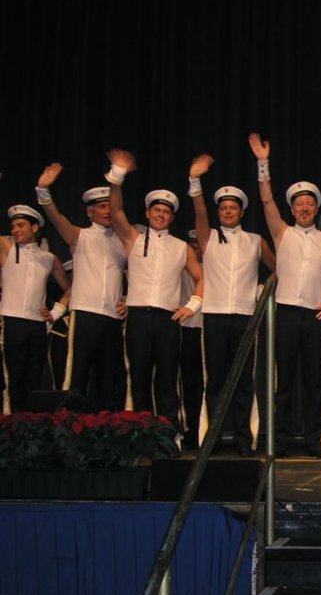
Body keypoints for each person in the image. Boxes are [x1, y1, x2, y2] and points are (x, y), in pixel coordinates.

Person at [250, 133, 321, 458]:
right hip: (284, 314)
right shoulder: (281, 232)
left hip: (313, 317)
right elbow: (266, 200)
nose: (305, 208)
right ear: (292, 208)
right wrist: (263, 163)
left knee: (313, 383)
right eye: (299, 204)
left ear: (316, 207)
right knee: (283, 384)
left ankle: (314, 440)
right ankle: (279, 441)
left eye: (310, 204)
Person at [106, 149, 203, 438]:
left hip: (168, 320)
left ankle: (169, 434)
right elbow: (116, 211)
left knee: (168, 379)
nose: (161, 215)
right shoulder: (133, 238)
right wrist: (117, 176)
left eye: (166, 212)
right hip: (137, 317)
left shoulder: (182, 247)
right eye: (156, 210)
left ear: (172, 217)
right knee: (137, 378)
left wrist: (192, 306)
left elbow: (202, 278)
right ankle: (139, 433)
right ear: (148, 213)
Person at [188, 152, 276, 457]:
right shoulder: (208, 237)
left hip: (245, 318)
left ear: (241, 211)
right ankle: (211, 438)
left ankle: (243, 438)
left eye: (233, 207)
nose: (228, 211)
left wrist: (263, 288)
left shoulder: (255, 240)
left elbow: (279, 268)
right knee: (214, 381)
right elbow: (199, 211)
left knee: (243, 382)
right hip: (213, 316)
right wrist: (195, 180)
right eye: (223, 208)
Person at [34, 163, 127, 411]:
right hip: (85, 314)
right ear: (89, 212)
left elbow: (139, 276)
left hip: (112, 318)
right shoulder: (80, 236)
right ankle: (68, 424)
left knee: (108, 379)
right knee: (77, 375)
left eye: (109, 206)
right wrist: (43, 191)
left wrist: (127, 299)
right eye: (101, 206)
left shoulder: (123, 241)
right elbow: (57, 219)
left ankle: (105, 426)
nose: (107, 211)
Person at [0, 205, 70, 412]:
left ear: (35, 227)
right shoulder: (7, 248)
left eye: (21, 225)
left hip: (38, 326)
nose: (15, 230)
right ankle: (11, 423)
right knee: (13, 378)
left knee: (35, 378)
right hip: (12, 321)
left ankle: (31, 423)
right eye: (13, 226)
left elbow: (70, 288)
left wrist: (56, 312)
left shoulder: (49, 258)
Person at [178, 229, 205, 450]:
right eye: (191, 245)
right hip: (185, 330)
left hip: (207, 331)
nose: (195, 249)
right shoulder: (181, 267)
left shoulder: (214, 266)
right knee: (188, 385)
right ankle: (189, 430)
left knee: (206, 385)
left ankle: (206, 431)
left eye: (198, 245)